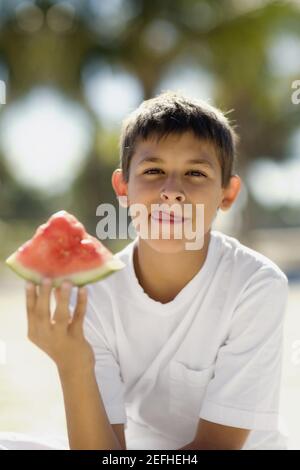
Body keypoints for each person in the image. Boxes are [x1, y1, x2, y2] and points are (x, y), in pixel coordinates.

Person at [1, 91, 289, 450]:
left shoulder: (256, 285)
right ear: (123, 187)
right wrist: (73, 365)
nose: (172, 191)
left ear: (227, 194)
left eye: (195, 173)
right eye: (153, 171)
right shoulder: (93, 293)